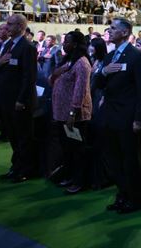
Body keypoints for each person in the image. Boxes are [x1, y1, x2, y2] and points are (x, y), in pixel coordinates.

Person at [96, 18, 141, 214]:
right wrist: (103, 71)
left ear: (125, 33)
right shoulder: (110, 57)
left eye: (113, 28)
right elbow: (97, 84)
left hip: (127, 118)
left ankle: (135, 198)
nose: (109, 31)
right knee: (113, 159)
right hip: (109, 116)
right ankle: (122, 194)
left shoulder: (137, 57)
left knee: (130, 160)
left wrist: (139, 119)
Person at [0, 14, 38, 183]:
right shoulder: (9, 46)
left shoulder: (27, 47)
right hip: (7, 98)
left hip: (21, 101)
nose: (7, 27)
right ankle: (16, 166)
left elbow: (29, 77)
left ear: (20, 26)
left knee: (23, 137)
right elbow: (1, 68)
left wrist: (21, 99)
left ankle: (25, 169)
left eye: (10, 24)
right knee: (13, 136)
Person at [49, 31, 92, 194]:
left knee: (78, 150)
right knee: (67, 149)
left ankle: (80, 181)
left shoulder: (82, 63)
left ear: (75, 44)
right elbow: (53, 80)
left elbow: (80, 90)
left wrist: (73, 113)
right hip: (61, 113)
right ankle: (70, 176)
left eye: (66, 41)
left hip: (74, 116)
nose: (63, 44)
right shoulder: (68, 61)